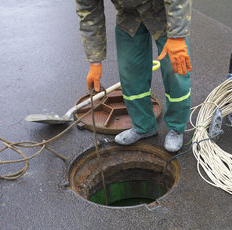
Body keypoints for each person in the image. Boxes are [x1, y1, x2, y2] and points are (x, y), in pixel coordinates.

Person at [76, 0, 192, 152]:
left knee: (175, 71)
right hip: (129, 16)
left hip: (164, 12)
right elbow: (89, 12)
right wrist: (95, 61)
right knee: (130, 73)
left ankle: (176, 128)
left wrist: (177, 36)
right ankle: (143, 126)